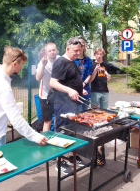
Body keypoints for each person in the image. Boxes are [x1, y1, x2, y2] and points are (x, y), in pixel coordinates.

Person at [0, 46, 48, 191]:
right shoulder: (3, 86)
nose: (21, 68)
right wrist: (35, 136)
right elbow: (16, 120)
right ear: (15, 63)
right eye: (21, 64)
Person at [50, 37, 88, 175]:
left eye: (80, 51)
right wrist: (70, 90)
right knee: (62, 132)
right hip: (62, 104)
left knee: (73, 132)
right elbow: (53, 83)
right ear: (67, 49)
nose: (78, 53)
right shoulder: (61, 62)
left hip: (73, 103)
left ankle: (72, 157)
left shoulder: (72, 62)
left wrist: (79, 89)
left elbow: (71, 81)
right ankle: (60, 162)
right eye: (76, 51)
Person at [90, 47, 111, 166]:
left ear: (103, 55)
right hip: (95, 91)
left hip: (105, 91)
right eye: (97, 54)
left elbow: (107, 78)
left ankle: (103, 131)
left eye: (100, 54)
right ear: (95, 55)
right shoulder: (93, 64)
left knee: (105, 113)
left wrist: (109, 77)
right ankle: (95, 131)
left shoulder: (105, 65)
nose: (98, 56)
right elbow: (91, 80)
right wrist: (95, 71)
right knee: (95, 112)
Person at [36, 43, 60, 132]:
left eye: (53, 50)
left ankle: (56, 136)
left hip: (57, 94)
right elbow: (38, 78)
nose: (52, 52)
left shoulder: (60, 59)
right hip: (45, 95)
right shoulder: (42, 63)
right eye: (50, 51)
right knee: (47, 120)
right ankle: (44, 141)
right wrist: (43, 65)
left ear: (56, 50)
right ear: (46, 52)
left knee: (58, 118)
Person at [74, 39, 92, 111]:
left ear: (84, 47)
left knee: (85, 112)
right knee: (79, 113)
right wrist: (80, 86)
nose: (81, 47)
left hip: (86, 90)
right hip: (76, 90)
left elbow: (89, 74)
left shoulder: (88, 59)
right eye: (79, 45)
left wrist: (84, 83)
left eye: (82, 45)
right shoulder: (73, 59)